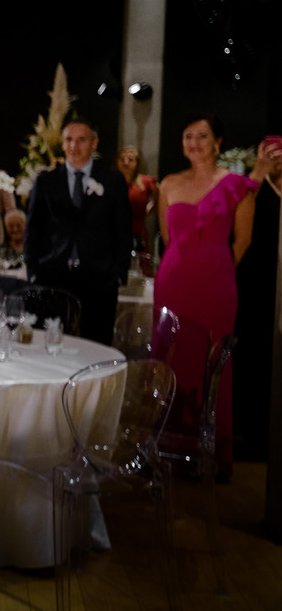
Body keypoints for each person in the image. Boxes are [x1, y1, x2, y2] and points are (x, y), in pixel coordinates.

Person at [155, 113, 259, 478]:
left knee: (214, 364)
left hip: (215, 285)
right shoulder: (168, 184)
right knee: (172, 362)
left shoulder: (237, 185)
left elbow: (243, 241)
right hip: (173, 282)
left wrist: (214, 267)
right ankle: (168, 452)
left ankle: (211, 458)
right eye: (187, 136)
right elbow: (168, 239)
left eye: (202, 136)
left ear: (218, 142)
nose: (194, 142)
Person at [25, 120, 132, 345]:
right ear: (63, 145)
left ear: (94, 143)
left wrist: (119, 273)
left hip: (99, 278)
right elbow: (32, 230)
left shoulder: (112, 181)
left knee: (97, 345)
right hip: (53, 275)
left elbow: (123, 230)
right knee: (50, 344)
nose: (74, 145)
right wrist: (33, 272)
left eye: (82, 139)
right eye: (69, 139)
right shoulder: (46, 181)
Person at [234, 138, 282, 460]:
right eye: (270, 154)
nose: (276, 160)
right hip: (255, 286)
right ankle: (250, 433)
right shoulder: (252, 187)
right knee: (255, 357)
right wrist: (257, 173)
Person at [116, 146, 158, 275]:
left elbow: (159, 200)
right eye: (122, 159)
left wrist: (148, 210)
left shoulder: (145, 182)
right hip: (115, 235)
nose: (126, 162)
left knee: (138, 273)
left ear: (137, 163)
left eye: (130, 159)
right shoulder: (111, 181)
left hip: (138, 235)